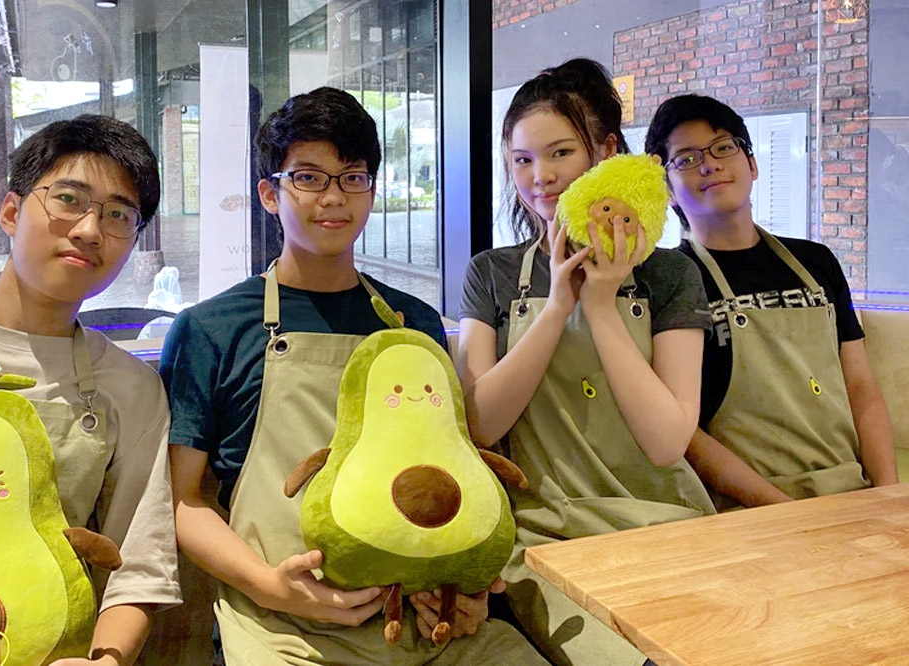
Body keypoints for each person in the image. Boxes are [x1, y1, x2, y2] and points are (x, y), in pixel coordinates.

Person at [159, 87, 548, 666]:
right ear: (270, 193)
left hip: (418, 624)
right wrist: (270, 585)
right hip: (282, 629)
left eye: (353, 177)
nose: (333, 198)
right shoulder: (211, 327)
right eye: (309, 178)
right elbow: (182, 500)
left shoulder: (411, 322)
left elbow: (443, 468)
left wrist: (455, 592)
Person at [457, 58, 715, 666]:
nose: (540, 177)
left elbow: (666, 441)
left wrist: (601, 304)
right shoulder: (492, 274)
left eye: (560, 153)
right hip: (548, 538)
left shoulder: (671, 273)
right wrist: (555, 309)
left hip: (667, 523)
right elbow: (479, 426)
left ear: (605, 154)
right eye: (522, 160)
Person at [0, 115, 181, 664]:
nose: (88, 229)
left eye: (118, 215)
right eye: (68, 199)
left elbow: (139, 566)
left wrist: (106, 660)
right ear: (11, 211)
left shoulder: (131, 387)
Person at [644, 94, 898, 509]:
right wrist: (779, 509)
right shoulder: (669, 278)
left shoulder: (816, 261)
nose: (710, 164)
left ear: (753, 164)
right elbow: (682, 432)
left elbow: (860, 385)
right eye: (686, 159)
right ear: (667, 190)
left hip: (852, 490)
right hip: (744, 508)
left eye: (724, 147)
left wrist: (887, 492)